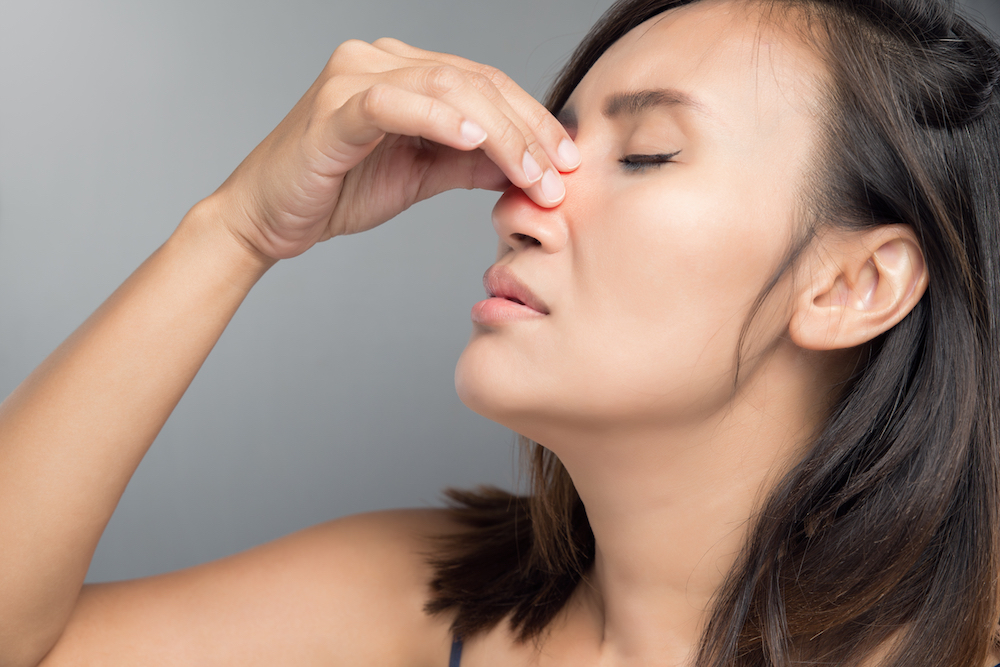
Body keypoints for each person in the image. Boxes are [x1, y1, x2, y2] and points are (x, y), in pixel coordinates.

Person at [1, 0, 998, 664]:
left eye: (648, 154)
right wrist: (236, 230)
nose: (521, 204)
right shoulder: (423, 606)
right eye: (553, 144)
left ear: (853, 283)